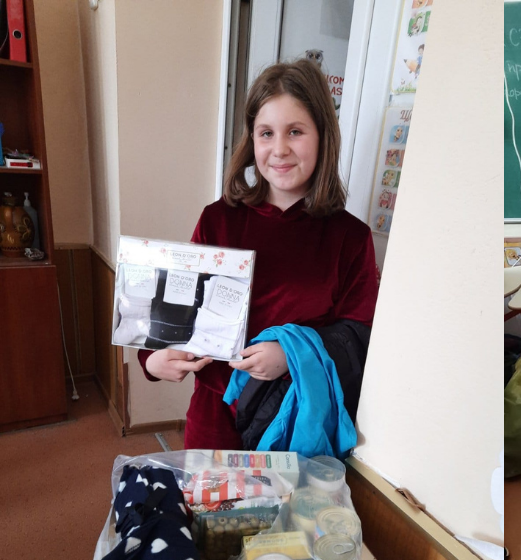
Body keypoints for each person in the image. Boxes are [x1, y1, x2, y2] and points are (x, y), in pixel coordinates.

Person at [138, 59, 379, 450]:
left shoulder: (349, 237)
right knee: (208, 509)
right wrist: (152, 360)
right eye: (266, 133)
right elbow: (176, 308)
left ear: (322, 136)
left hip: (297, 420)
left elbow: (359, 336)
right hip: (216, 414)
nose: (280, 149)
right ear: (252, 140)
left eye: (296, 132)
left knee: (284, 512)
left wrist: (290, 353)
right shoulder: (219, 220)